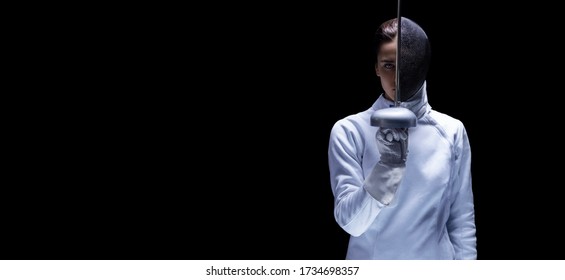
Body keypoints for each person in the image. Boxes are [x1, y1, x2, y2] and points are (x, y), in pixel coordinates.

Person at [327, 17, 477, 259]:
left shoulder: (451, 131)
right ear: (376, 67)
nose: (398, 77)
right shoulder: (349, 130)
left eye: (407, 64)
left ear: (421, 65)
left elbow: (461, 222)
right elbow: (351, 223)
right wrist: (387, 168)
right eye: (388, 65)